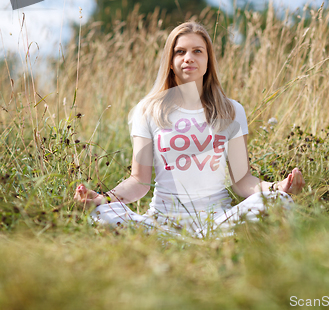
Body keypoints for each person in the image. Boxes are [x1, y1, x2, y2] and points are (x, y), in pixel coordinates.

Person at [74, 22, 305, 237]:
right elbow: (139, 182)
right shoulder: (148, 110)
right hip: (161, 223)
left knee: (281, 201)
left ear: (208, 61)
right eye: (180, 51)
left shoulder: (231, 110)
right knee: (98, 215)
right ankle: (172, 241)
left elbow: (242, 180)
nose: (188, 58)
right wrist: (103, 200)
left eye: (197, 51)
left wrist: (277, 188)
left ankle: (216, 239)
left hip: (219, 221)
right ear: (170, 61)